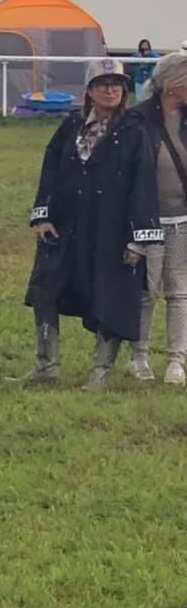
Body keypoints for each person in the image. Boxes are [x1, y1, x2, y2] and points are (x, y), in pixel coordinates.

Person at [24, 58, 161, 391]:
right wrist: (42, 215)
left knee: (111, 298)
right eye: (103, 84)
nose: (110, 90)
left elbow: (143, 185)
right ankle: (46, 364)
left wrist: (137, 239)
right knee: (46, 291)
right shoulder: (71, 127)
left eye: (117, 84)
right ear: (89, 90)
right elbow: (50, 171)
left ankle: (100, 373)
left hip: (111, 232)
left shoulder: (134, 131)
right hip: (66, 227)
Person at [128, 52, 187, 385]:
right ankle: (139, 356)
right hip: (148, 220)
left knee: (179, 292)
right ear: (174, 84)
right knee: (147, 292)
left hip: (183, 219)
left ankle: (177, 360)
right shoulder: (137, 120)